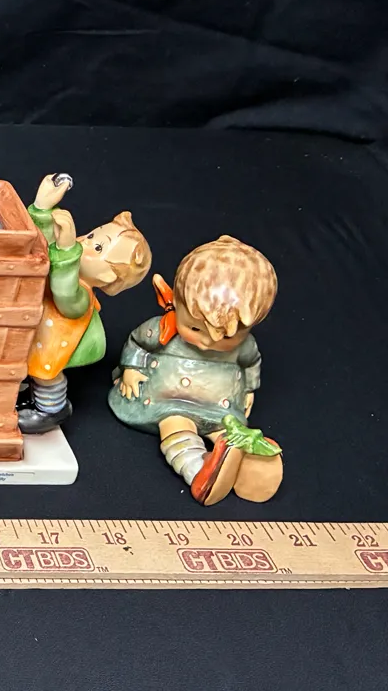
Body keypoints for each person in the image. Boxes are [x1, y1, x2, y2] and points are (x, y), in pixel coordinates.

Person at [109, 235, 282, 504]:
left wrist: (249, 389)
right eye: (194, 328)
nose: (207, 342)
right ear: (177, 304)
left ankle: (247, 462)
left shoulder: (246, 346)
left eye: (226, 338)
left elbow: (251, 362)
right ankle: (198, 470)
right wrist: (130, 369)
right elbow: (137, 343)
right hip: (170, 401)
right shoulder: (160, 330)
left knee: (228, 429)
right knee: (177, 426)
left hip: (219, 404)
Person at [19, 173, 151, 433]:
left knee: (46, 374)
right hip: (31, 329)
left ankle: (51, 409)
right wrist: (42, 209)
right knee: (32, 368)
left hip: (52, 344)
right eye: (91, 236)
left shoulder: (82, 296)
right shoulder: (65, 261)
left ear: (107, 277)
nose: (85, 242)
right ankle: (31, 396)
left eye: (98, 248)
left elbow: (64, 292)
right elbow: (42, 251)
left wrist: (68, 249)